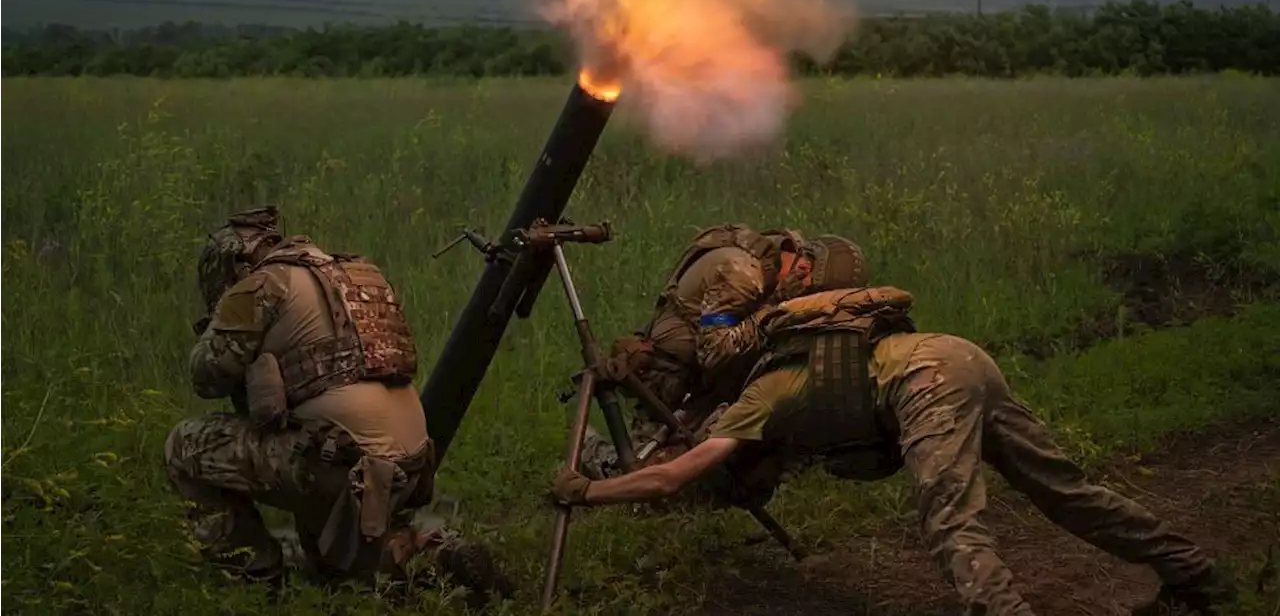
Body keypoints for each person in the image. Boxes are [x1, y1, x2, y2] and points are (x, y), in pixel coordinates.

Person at [550, 253, 1237, 615]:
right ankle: (1195, 573)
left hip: (927, 387)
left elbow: (674, 474)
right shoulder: (805, 354)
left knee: (953, 527)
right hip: (959, 357)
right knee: (1066, 491)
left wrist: (587, 490)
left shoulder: (759, 395)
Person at [163, 206, 511, 603]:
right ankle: (436, 554)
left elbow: (206, 376)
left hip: (340, 462)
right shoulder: (357, 272)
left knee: (185, 446)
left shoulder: (259, 285)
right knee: (334, 569)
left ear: (234, 265)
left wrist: (217, 322)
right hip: (410, 460)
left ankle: (253, 582)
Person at [578, 224, 858, 480]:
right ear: (804, 269)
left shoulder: (785, 256)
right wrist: (776, 309)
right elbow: (714, 351)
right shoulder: (742, 274)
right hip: (674, 372)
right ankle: (588, 449)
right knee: (642, 478)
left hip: (713, 370)